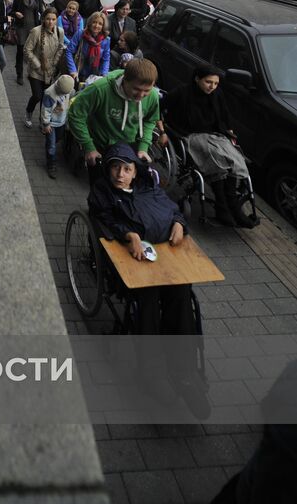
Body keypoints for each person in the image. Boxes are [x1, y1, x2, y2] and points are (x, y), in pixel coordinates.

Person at [87, 142, 208, 416]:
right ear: (108, 171)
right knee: (148, 297)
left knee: (181, 290)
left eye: (126, 168)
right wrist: (128, 235)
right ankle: (151, 372)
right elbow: (103, 219)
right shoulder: (103, 194)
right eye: (115, 167)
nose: (120, 174)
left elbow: (173, 209)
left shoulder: (149, 188)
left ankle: (184, 372)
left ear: (135, 172)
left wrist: (179, 224)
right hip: (130, 260)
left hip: (165, 255)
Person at [163, 65, 258, 228]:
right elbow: (160, 106)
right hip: (191, 135)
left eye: (215, 83)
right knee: (216, 159)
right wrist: (162, 130)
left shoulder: (217, 94)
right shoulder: (182, 93)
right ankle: (223, 208)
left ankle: (233, 208)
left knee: (232, 159)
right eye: (208, 82)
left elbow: (224, 115)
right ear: (197, 79)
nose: (212, 87)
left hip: (215, 135)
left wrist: (229, 132)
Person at [67, 58, 161, 168]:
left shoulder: (153, 96)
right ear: (125, 80)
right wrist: (89, 147)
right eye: (136, 89)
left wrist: (143, 147)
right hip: (100, 147)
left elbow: (150, 120)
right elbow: (76, 114)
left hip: (128, 148)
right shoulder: (100, 89)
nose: (141, 95)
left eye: (146, 91)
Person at [22, 7, 65, 128]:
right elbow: (27, 49)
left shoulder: (59, 31)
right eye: (48, 19)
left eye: (53, 19)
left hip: (50, 70)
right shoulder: (36, 31)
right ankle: (28, 113)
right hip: (36, 71)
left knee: (46, 96)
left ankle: (43, 119)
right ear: (43, 19)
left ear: (57, 20)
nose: (50, 22)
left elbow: (61, 47)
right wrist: (37, 64)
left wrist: (54, 63)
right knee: (37, 95)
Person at [40, 74, 75, 178]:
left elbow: (68, 104)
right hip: (52, 124)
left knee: (57, 139)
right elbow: (45, 110)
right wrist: (46, 124)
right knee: (52, 146)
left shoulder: (69, 91)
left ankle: (50, 147)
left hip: (62, 121)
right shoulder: (50, 93)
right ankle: (51, 164)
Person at [11, 0, 41, 85]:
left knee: (31, 52)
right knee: (20, 51)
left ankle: (31, 73)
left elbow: (40, 12)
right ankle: (19, 74)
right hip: (21, 27)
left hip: (33, 28)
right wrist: (16, 13)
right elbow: (12, 10)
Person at [64, 11, 110, 81]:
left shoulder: (106, 40)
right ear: (90, 22)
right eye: (94, 22)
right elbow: (69, 51)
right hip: (78, 73)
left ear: (103, 26)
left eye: (100, 24)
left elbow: (106, 59)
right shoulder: (80, 34)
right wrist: (73, 70)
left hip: (95, 75)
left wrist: (104, 74)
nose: (96, 26)